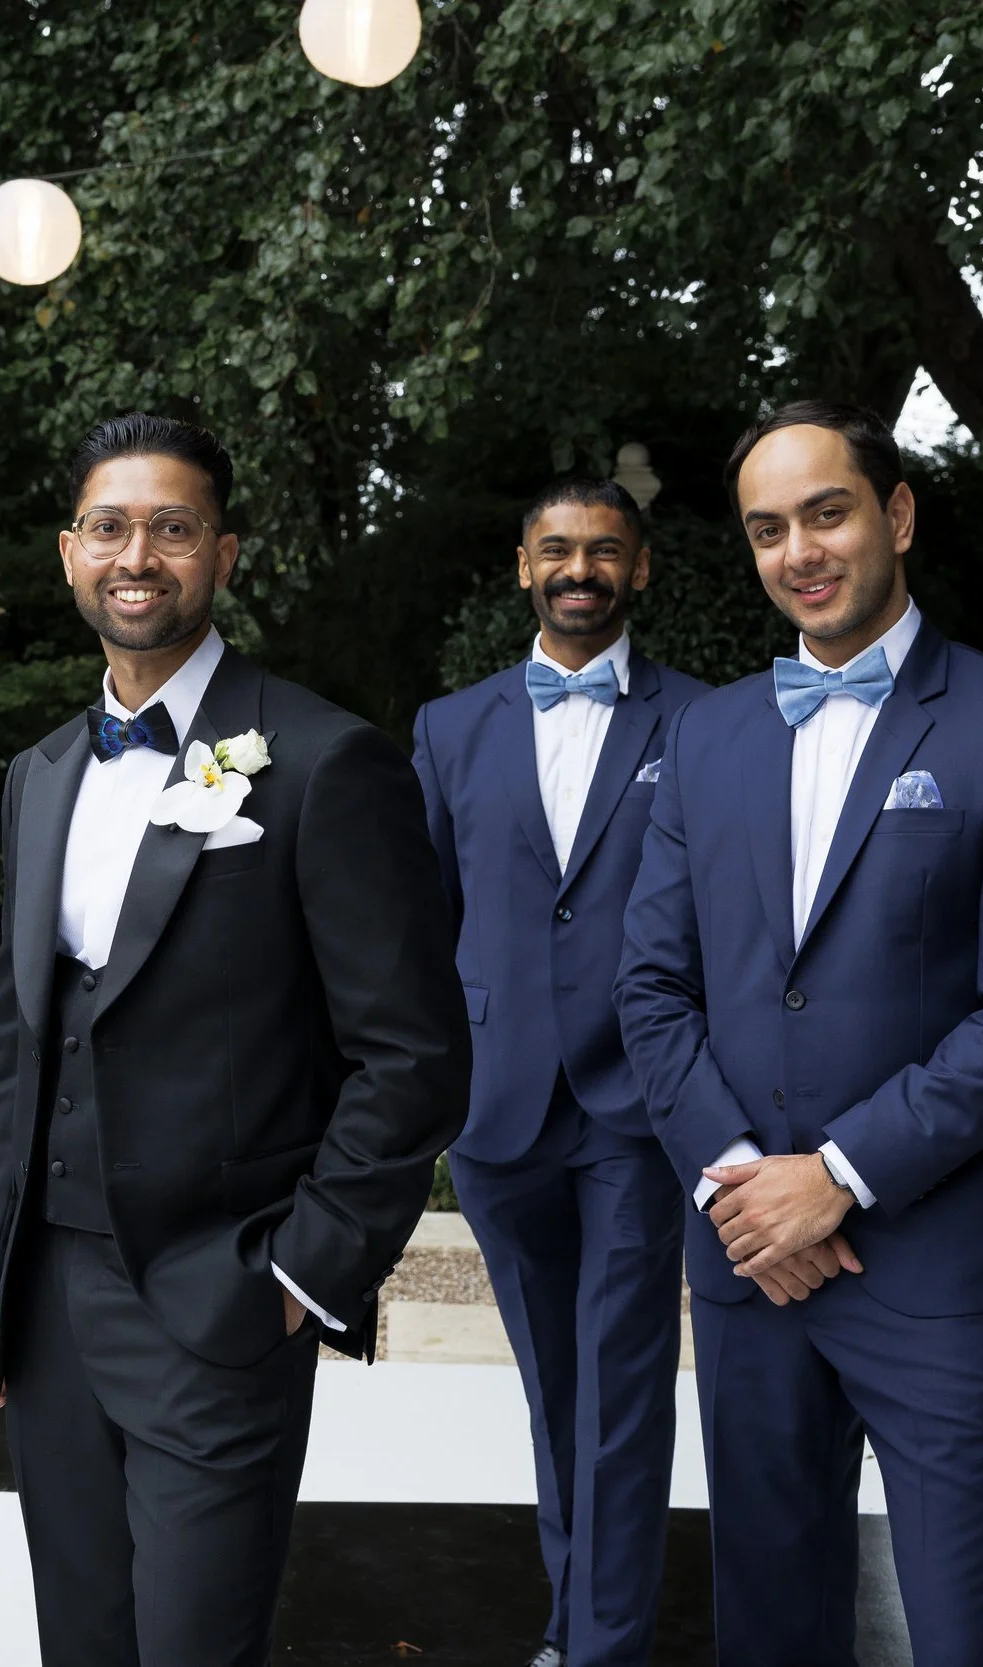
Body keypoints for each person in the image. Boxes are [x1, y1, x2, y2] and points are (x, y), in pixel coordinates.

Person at [0, 413, 471, 1666]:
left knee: (194, 1645)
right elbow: (26, 1046)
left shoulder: (326, 761)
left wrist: (301, 1272)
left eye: (172, 528)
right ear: (70, 552)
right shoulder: (40, 772)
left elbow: (414, 1054)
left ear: (222, 553)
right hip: (46, 1299)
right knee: (81, 1638)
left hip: (218, 1291)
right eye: (110, 527)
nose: (140, 554)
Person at [615, 401, 983, 1666]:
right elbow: (651, 989)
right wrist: (743, 1189)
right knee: (770, 1623)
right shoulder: (705, 731)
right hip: (748, 1264)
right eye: (768, 528)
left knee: (962, 1629)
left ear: (893, 514)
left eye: (826, 512)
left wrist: (830, 1180)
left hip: (936, 1264)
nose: (800, 550)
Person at [410, 479, 723, 1667]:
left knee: (624, 1381)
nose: (579, 567)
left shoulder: (706, 721)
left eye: (603, 550)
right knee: (555, 1384)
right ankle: (575, 1614)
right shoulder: (450, 725)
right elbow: (424, 921)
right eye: (557, 549)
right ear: (522, 564)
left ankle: (599, 1642)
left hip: (639, 1107)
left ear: (639, 570)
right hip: (496, 1108)